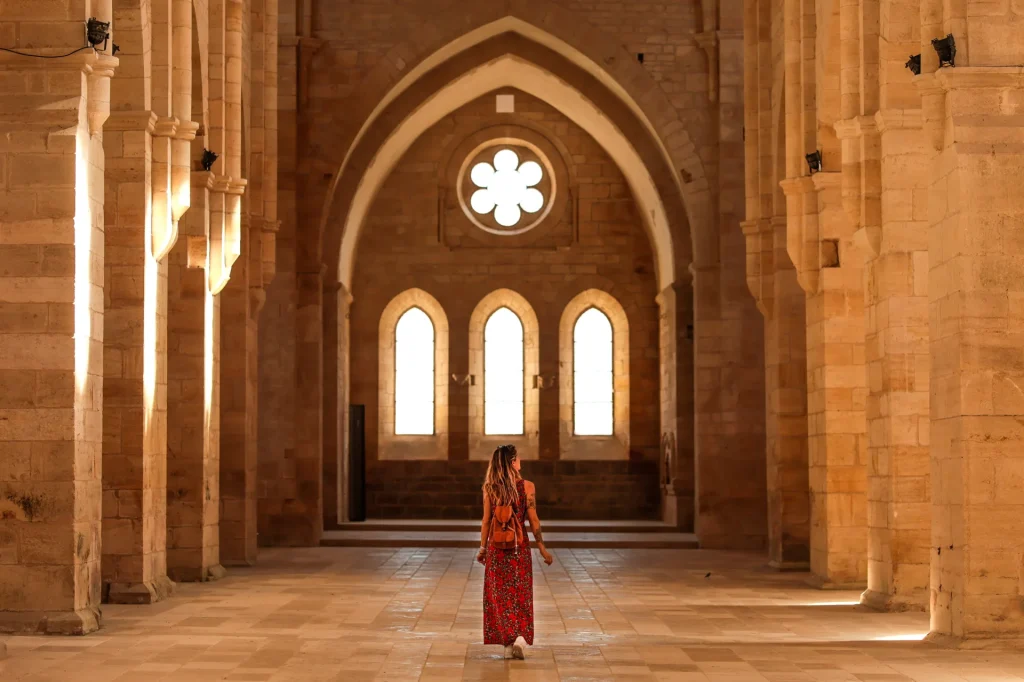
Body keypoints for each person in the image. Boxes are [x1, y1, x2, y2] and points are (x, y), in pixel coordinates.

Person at [477, 444, 554, 659]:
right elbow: (534, 519)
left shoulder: (490, 488)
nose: (521, 461)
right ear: (512, 462)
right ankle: (520, 638)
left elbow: (486, 521)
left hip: (496, 549)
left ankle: (508, 645)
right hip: (519, 549)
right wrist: (542, 548)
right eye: (518, 458)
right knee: (521, 594)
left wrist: (483, 549)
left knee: (500, 596)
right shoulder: (527, 487)